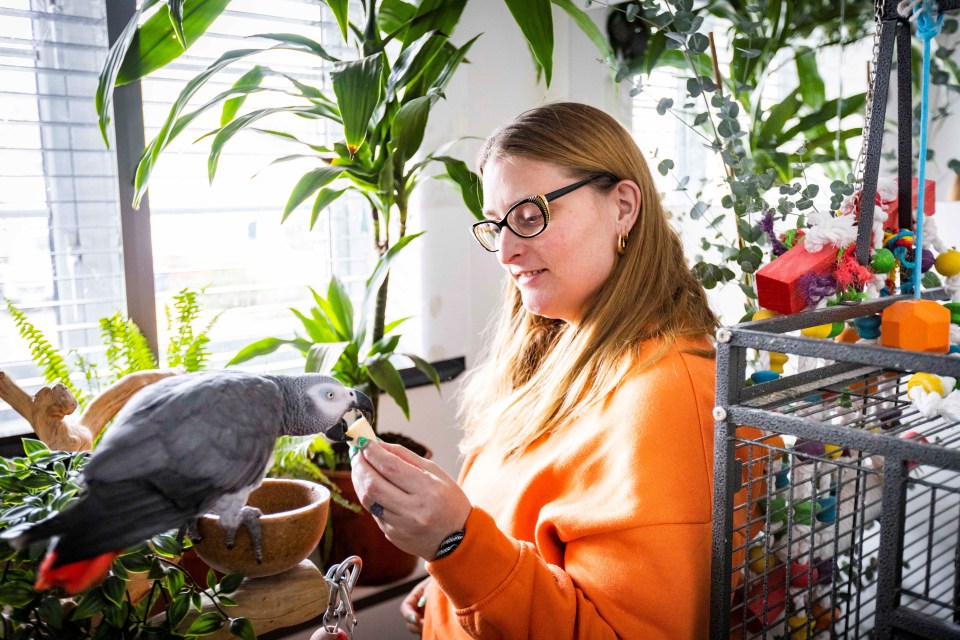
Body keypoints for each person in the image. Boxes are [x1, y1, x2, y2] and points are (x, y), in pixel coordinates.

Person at [349, 101, 720, 638]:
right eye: (497, 225)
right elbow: (525, 542)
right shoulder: (561, 349)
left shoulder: (663, 396)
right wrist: (447, 585)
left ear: (622, 206)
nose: (504, 251)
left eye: (529, 216)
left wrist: (454, 544)